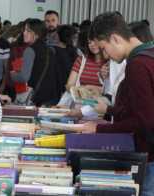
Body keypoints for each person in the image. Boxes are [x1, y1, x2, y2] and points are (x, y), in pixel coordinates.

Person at [76, 12, 154, 196]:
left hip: (150, 155)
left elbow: (144, 122)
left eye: (104, 48)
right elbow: (140, 109)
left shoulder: (138, 65)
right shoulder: (150, 54)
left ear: (115, 38)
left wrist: (99, 129)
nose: (105, 55)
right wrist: (111, 111)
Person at [11, 19, 60, 106]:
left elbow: (23, 77)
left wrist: (12, 74)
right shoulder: (50, 50)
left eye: (28, 31)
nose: (24, 33)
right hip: (51, 98)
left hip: (35, 99)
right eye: (24, 30)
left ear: (37, 34)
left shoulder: (30, 50)